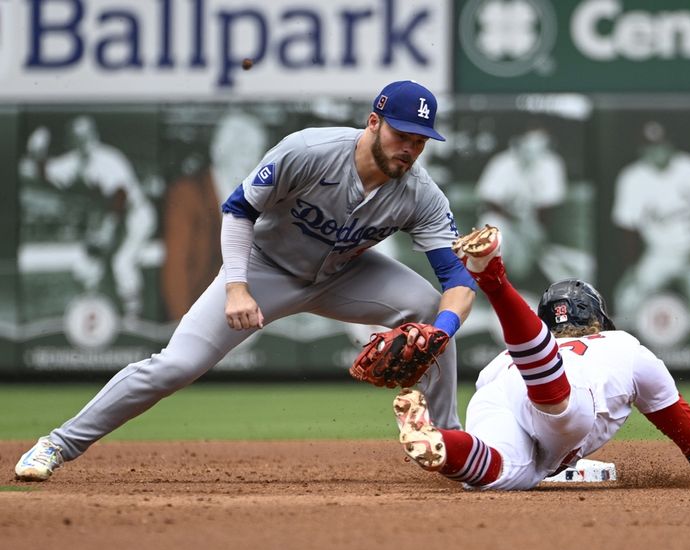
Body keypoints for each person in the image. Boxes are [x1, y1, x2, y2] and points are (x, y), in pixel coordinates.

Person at [14, 80, 476, 482]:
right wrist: (237, 286)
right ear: (374, 122)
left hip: (342, 273)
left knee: (433, 314)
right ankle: (58, 443)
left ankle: (450, 445)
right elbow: (238, 210)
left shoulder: (420, 193)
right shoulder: (310, 150)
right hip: (263, 267)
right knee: (175, 365)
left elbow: (456, 275)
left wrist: (444, 331)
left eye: (420, 140)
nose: (410, 149)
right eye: (402, 134)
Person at [393, 225, 690, 491]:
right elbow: (684, 425)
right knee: (562, 409)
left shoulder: (499, 360)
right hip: (556, 389)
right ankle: (493, 279)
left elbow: (512, 382)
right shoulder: (622, 344)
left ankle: (438, 439)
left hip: (500, 386)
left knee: (501, 474)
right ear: (598, 317)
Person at [21, 115, 157, 320]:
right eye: (78, 136)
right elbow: (46, 173)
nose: (83, 140)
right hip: (110, 218)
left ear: (94, 135)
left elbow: (120, 196)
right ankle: (99, 316)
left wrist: (107, 230)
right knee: (84, 269)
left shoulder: (107, 159)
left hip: (135, 216)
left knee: (122, 263)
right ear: (73, 139)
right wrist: (37, 154)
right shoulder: (75, 161)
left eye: (86, 135)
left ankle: (134, 318)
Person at [612, 121, 690, 322]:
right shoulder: (632, 178)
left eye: (661, 145)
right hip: (661, 254)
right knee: (627, 301)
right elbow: (627, 228)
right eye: (650, 147)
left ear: (671, 145)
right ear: (641, 150)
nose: (657, 152)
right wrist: (631, 268)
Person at [161, 110, 270, 321]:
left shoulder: (261, 195)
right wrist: (182, 327)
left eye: (256, 151)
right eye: (243, 149)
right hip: (198, 318)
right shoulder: (187, 194)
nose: (252, 159)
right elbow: (176, 269)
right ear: (220, 151)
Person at [474, 124, 594, 284]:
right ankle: (488, 281)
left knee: (526, 268)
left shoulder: (551, 164)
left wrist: (536, 233)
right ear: (518, 142)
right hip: (507, 227)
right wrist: (518, 225)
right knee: (490, 224)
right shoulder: (502, 162)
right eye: (530, 141)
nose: (534, 148)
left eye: (541, 143)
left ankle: (532, 277)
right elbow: (489, 201)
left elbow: (548, 207)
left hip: (532, 230)